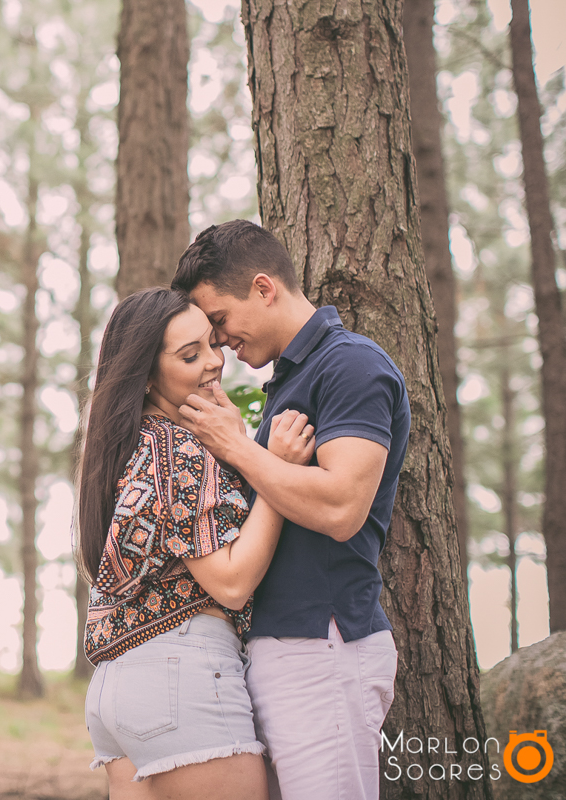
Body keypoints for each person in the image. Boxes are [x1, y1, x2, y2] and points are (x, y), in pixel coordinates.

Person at [170, 220, 411, 800]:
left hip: (324, 647)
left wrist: (237, 448)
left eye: (220, 321)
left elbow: (342, 506)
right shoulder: (289, 380)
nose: (221, 342)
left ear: (263, 287)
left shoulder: (351, 364)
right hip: (286, 649)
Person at [78, 287, 316, 800]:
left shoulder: (139, 444)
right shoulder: (179, 448)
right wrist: (276, 472)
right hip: (179, 677)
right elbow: (229, 582)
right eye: (190, 355)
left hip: (117, 689)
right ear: (145, 375)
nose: (214, 362)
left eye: (212, 343)